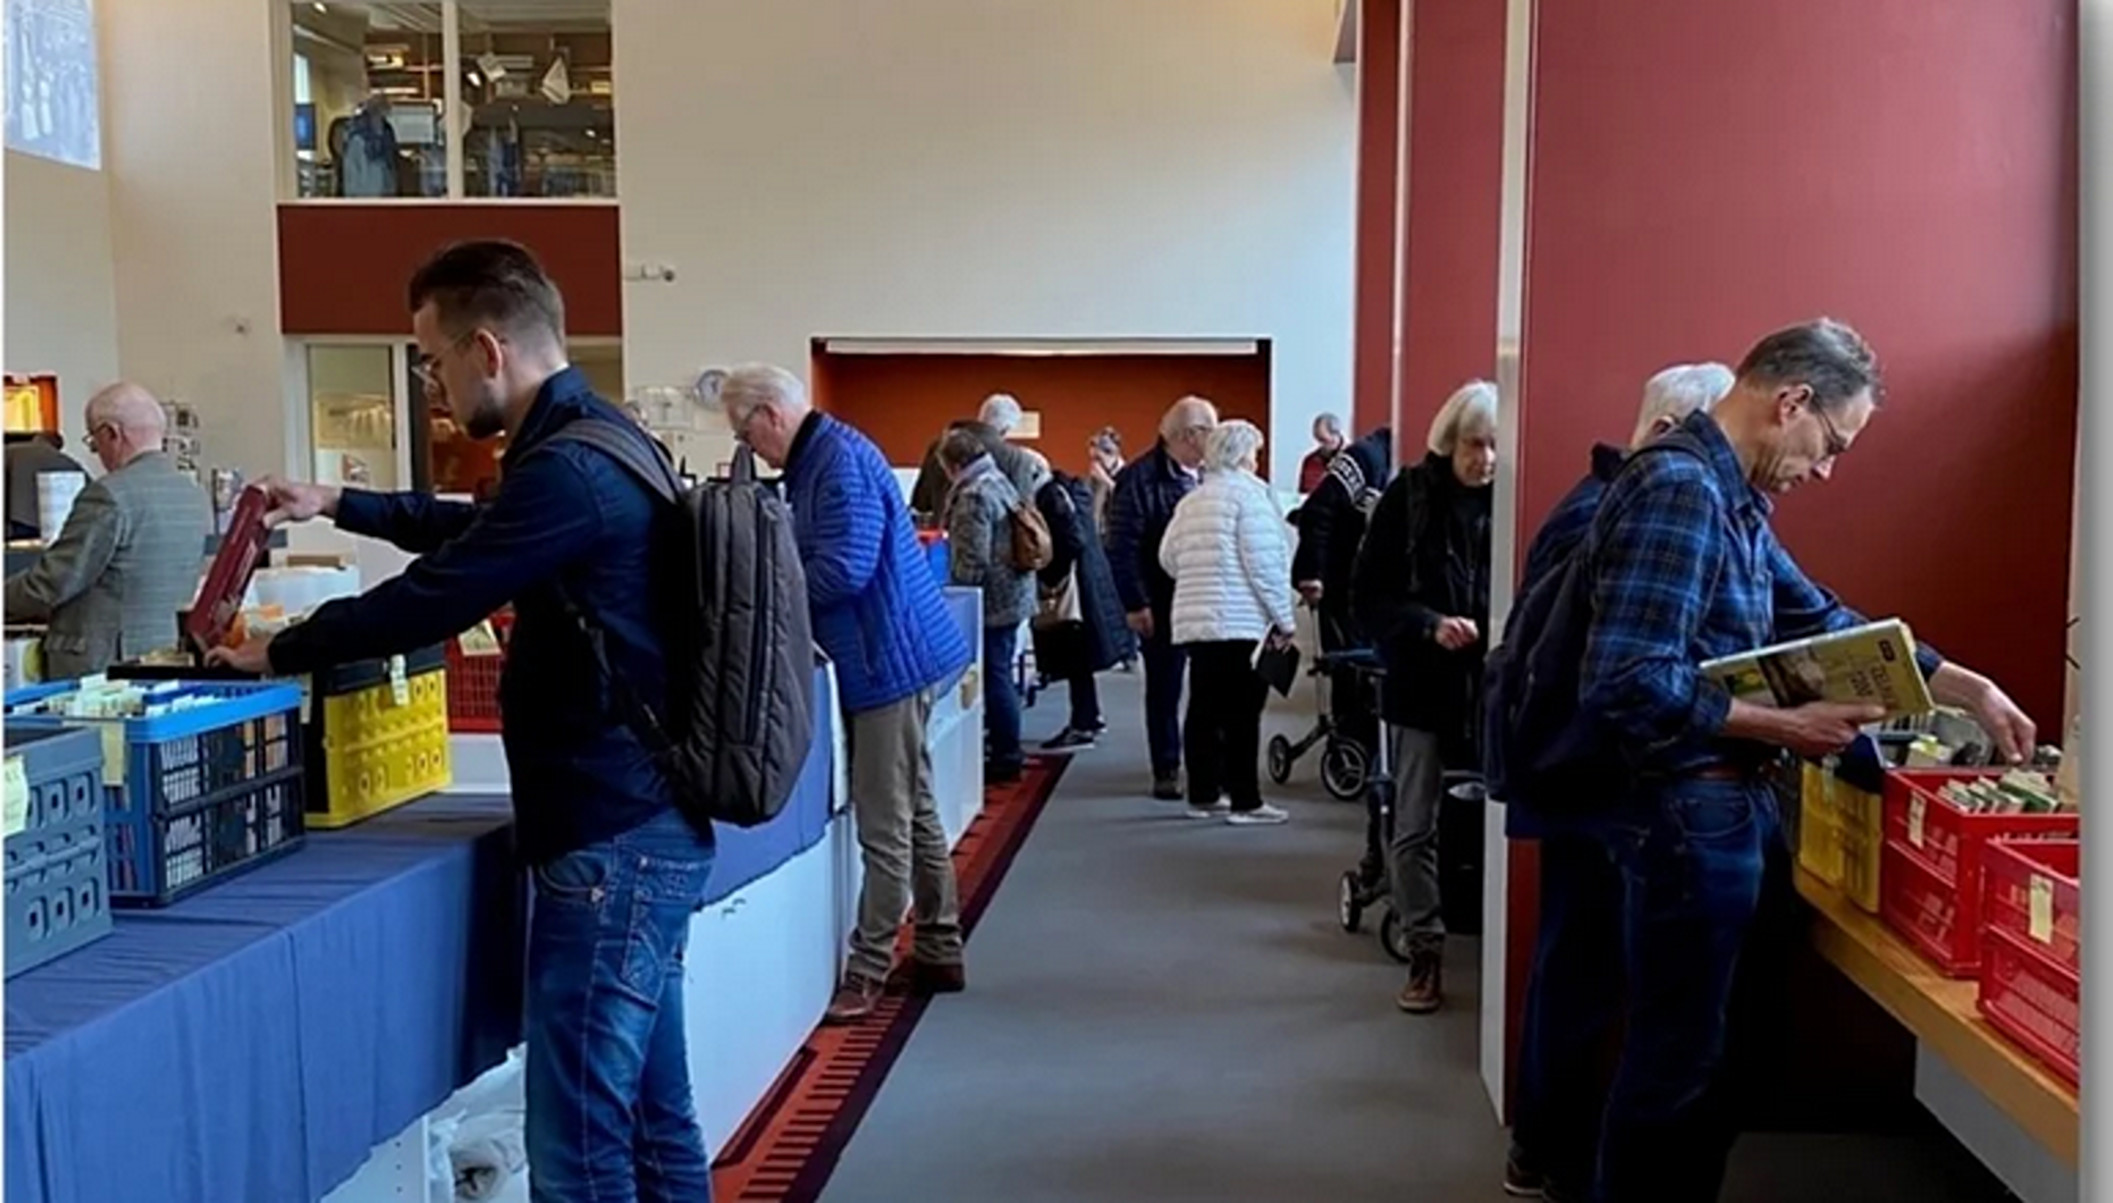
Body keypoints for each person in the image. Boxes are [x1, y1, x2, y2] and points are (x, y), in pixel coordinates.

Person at [206, 240, 717, 1201]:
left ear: (488, 349)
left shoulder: (569, 467)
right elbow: (476, 529)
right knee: (651, 1123)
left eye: (432, 360)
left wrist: (278, 650)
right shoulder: (595, 441)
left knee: (579, 1147)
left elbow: (435, 596)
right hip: (641, 821)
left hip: (610, 830)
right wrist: (339, 502)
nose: (430, 383)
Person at [1562, 320, 2033, 1202]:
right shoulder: (1679, 492)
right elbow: (1626, 681)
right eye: (1832, 445)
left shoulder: (1731, 498)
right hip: (1682, 813)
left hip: (1721, 812)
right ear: (1791, 402)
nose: (1826, 469)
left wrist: (1965, 686)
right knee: (1675, 1068)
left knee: (1717, 1056)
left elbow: (1817, 614)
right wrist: (1788, 728)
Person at [1501, 361, 1735, 1202]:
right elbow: (1621, 674)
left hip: (1581, 780)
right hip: (1600, 785)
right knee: (1585, 977)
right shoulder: (1637, 504)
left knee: (1578, 970)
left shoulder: (1591, 500)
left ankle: (1543, 1146)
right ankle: (1549, 1151)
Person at [713, 364, 974, 1027]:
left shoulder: (834, 461)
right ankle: (940, 947)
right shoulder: (824, 456)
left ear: (770, 415)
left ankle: (869, 967)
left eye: (746, 433)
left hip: (884, 656)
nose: (749, 448)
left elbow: (846, 567)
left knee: (884, 821)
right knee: (912, 809)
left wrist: (766, 591)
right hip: (891, 651)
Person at [1351, 381, 1497, 1015]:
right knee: (1415, 823)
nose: (1485, 460)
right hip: (1421, 683)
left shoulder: (1513, 500)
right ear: (1449, 441)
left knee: (1501, 814)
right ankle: (1424, 950)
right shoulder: (1407, 499)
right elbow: (1369, 598)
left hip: (1492, 683)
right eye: (1474, 445)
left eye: (1495, 447)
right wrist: (1428, 623)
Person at [5, 384, 209, 678]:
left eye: (93, 442)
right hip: (165, 653)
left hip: (102, 667)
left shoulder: (108, 495)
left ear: (112, 433)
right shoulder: (191, 493)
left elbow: (53, 583)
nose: (97, 454)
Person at [1156, 420, 1298, 825]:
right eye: (1255, 452)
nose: (1257, 459)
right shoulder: (1251, 498)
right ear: (1241, 456)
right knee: (1243, 713)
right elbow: (1265, 565)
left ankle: (1202, 794)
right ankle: (1246, 801)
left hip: (1196, 623)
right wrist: (1284, 619)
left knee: (1202, 708)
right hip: (1241, 621)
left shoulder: (1193, 499)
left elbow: (1168, 557)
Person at [1106, 396, 1219, 800]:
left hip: (1209, 599)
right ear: (1190, 436)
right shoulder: (1138, 479)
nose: (1216, 439)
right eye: (1211, 430)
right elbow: (1122, 546)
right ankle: (1167, 766)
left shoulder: (1215, 474)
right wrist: (1135, 603)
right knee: (1165, 687)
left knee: (1210, 687)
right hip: (1161, 599)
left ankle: (1207, 768)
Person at [937, 428, 1035, 783]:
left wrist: (953, 596)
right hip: (1016, 593)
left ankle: (1006, 754)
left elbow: (972, 559)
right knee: (1002, 672)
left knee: (995, 675)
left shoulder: (973, 495)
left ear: (955, 464)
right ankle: (1007, 747)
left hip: (993, 600)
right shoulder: (999, 480)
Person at [1290, 421, 1393, 745]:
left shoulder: (1388, 458)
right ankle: (1349, 740)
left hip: (1367, 584)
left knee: (1361, 665)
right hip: (1343, 582)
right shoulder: (1365, 457)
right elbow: (1317, 509)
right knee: (1350, 665)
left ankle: (1360, 741)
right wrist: (1312, 573)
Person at [1031, 465, 1133, 750]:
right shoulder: (1069, 490)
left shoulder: (1050, 497)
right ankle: (1087, 717)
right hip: (1088, 581)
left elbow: (1070, 541)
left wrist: (1051, 579)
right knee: (1080, 658)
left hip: (1072, 587)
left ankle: (1084, 722)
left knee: (1076, 656)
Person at [908, 393, 1050, 519]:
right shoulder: (1017, 459)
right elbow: (1024, 513)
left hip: (943, 543)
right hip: (996, 545)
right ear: (1006, 429)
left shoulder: (938, 447)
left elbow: (921, 503)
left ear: (981, 416)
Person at [5, 431, 87, 539]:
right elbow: (90, 489)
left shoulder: (10, 450)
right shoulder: (66, 460)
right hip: (52, 524)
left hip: (14, 518)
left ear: (36, 438)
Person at [1085, 426, 1125, 535]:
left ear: (1113, 455)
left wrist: (1106, 480)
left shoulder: (1127, 475)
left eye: (1098, 458)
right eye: (1093, 459)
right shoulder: (1094, 479)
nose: (1095, 464)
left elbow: (1124, 498)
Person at [1297, 411, 1347, 494]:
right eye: (1318, 439)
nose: (1321, 445)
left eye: (1324, 440)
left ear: (1336, 435)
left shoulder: (1353, 458)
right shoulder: (1310, 461)